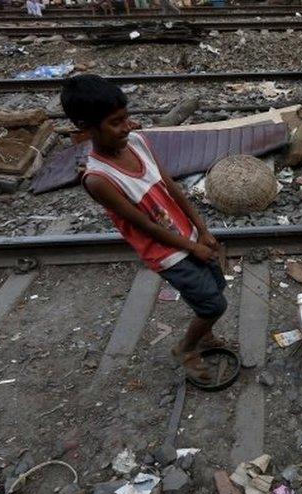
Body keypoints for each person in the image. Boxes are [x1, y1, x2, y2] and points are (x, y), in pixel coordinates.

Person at [60, 75, 228, 383]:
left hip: (189, 238)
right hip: (167, 252)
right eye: (115, 122)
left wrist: (202, 230)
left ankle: (204, 335)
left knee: (215, 287)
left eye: (126, 117)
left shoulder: (137, 142)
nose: (127, 126)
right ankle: (186, 348)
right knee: (214, 304)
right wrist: (193, 248)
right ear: (86, 128)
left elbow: (172, 188)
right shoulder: (99, 179)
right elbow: (146, 226)